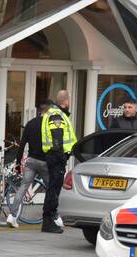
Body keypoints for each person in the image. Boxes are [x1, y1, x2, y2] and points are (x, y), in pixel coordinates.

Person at [5, 102, 52, 228]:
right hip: (45, 162)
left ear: (39, 111)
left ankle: (12, 215)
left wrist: (18, 162)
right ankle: (54, 216)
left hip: (31, 161)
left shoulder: (30, 124)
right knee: (52, 188)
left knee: (23, 187)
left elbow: (22, 145)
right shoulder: (50, 124)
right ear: (48, 111)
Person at [40, 90, 77, 233]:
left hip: (54, 156)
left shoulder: (53, 113)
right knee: (54, 190)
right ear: (66, 101)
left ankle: (48, 220)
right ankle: (48, 221)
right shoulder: (56, 114)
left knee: (53, 189)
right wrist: (61, 154)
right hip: (56, 156)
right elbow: (57, 136)